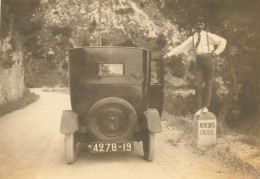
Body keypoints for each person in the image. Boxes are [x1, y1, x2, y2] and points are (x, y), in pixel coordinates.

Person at [162, 17, 227, 116]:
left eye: (201, 24)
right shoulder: (193, 38)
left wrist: (216, 53)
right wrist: (169, 54)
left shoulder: (209, 36)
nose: (199, 26)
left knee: (208, 84)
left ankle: (205, 106)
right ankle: (200, 107)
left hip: (209, 59)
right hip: (199, 60)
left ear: (203, 25)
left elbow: (223, 41)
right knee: (197, 84)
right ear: (195, 25)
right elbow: (181, 46)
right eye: (197, 24)